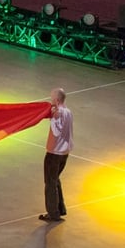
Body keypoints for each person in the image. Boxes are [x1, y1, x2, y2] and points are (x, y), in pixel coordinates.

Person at [40, 88, 72, 222]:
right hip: (65, 152)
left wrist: (52, 118)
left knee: (50, 182)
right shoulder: (68, 112)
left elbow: (56, 131)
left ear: (57, 100)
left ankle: (53, 213)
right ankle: (60, 208)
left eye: (52, 98)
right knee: (55, 179)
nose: (50, 100)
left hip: (54, 153)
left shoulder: (58, 113)